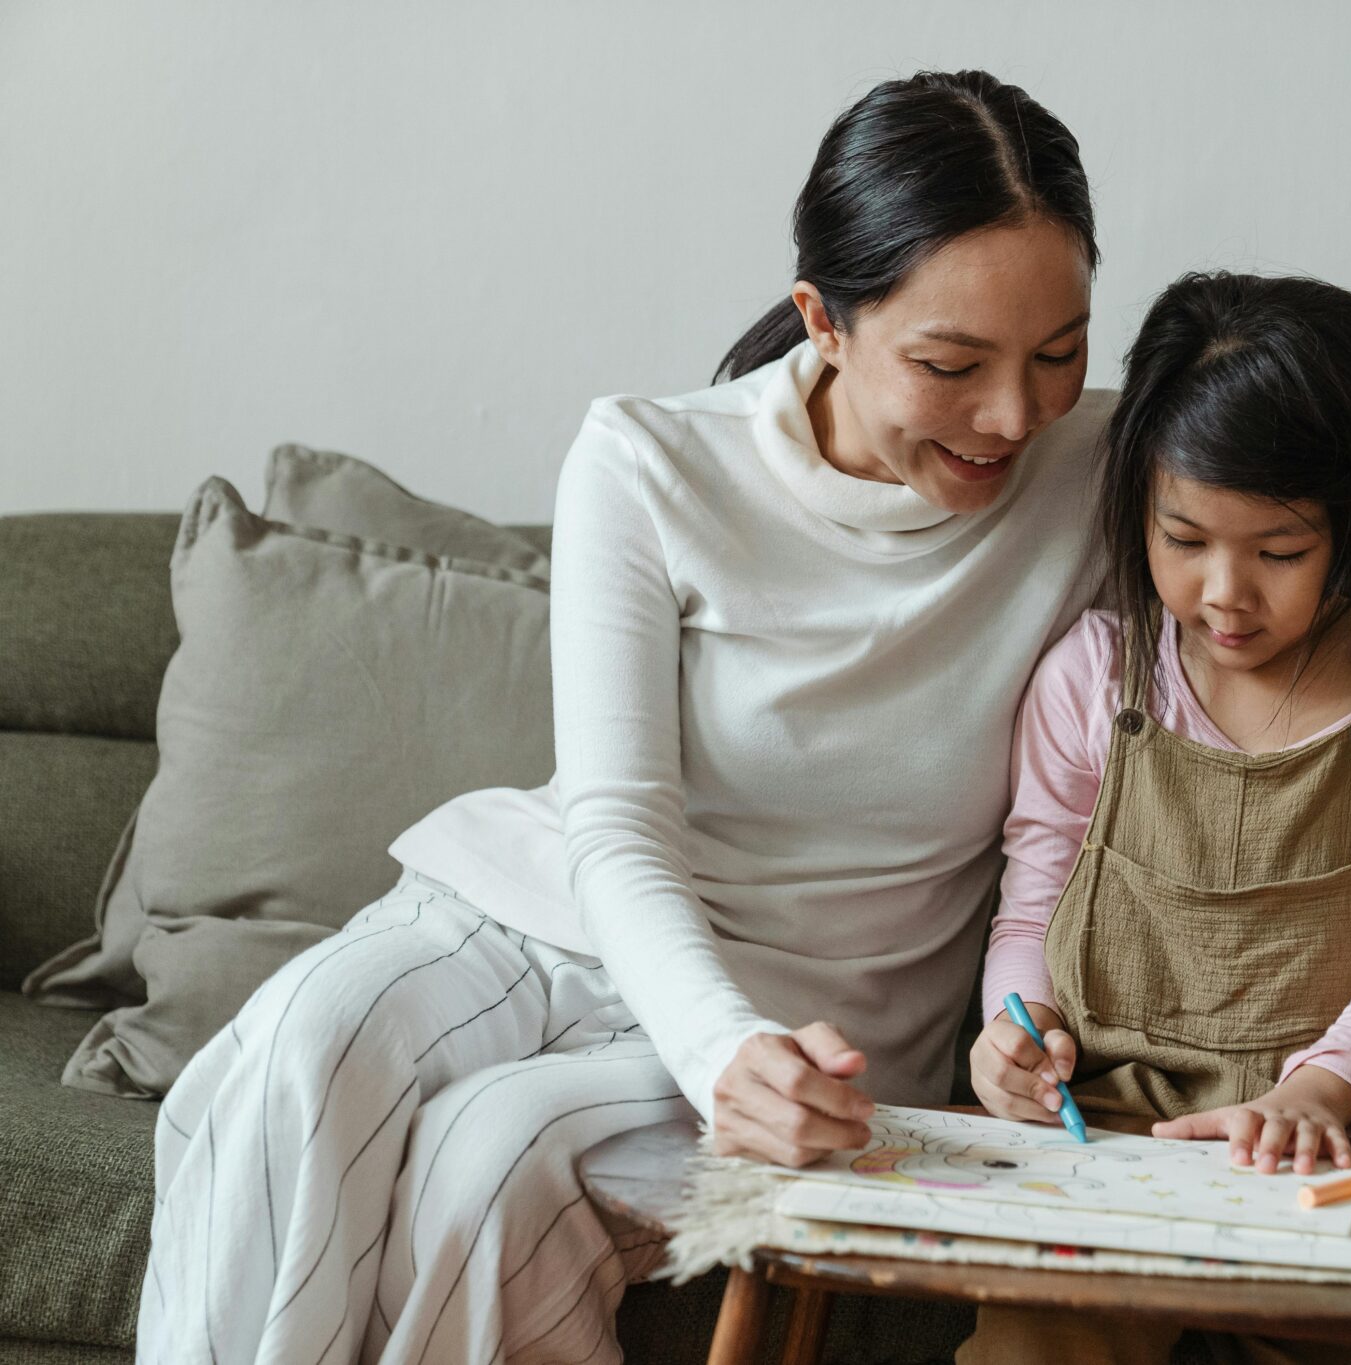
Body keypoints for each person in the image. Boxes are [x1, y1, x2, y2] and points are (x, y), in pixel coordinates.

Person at [138, 70, 1112, 1365]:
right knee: (297, 1048)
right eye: (950, 364)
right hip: (544, 915)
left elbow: (1293, 498)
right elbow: (616, 822)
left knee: (491, 1161)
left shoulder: (1110, 475)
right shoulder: (649, 459)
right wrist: (715, 1050)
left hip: (814, 1016)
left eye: (1060, 353)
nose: (1013, 414)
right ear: (822, 321)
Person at [959, 272, 1351, 1364]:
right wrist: (1016, 1029)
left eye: (1279, 552)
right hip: (1118, 1114)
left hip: (1343, 1118)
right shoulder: (1089, 677)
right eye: (1183, 538)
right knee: (1038, 1343)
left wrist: (1320, 1090)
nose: (1224, 594)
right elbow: (1033, 904)